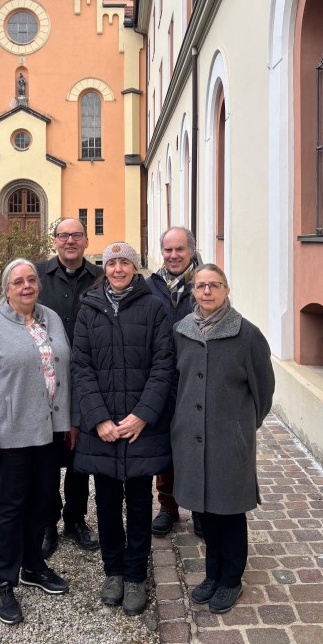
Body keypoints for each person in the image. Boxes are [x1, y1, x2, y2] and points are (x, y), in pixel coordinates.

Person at [72, 242, 174, 617]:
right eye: (111, 262)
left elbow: (164, 365)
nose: (117, 269)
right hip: (104, 429)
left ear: (135, 268)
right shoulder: (89, 308)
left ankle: (135, 576)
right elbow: (80, 366)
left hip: (138, 427)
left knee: (140, 502)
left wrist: (142, 416)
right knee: (108, 503)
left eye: (124, 263)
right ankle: (113, 571)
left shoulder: (153, 308)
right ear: (105, 268)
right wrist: (98, 418)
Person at [0, 258, 71, 626]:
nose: (26, 286)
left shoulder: (51, 319)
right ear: (7, 289)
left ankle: (33, 567)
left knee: (41, 504)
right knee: (10, 509)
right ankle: (3, 582)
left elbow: (63, 372)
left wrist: (67, 423)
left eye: (31, 280)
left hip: (47, 434)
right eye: (18, 282)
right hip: (9, 439)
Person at [171, 264, 275, 614]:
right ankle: (212, 574)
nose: (207, 292)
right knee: (205, 509)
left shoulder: (247, 334)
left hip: (228, 440)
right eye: (200, 286)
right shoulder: (182, 331)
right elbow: (177, 382)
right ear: (193, 292)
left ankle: (231, 578)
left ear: (226, 290)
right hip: (191, 436)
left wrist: (240, 426)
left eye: (214, 285)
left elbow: (263, 391)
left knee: (229, 510)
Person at [36, 217, 103, 557]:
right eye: (63, 236)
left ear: (86, 241)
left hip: (87, 378)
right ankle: (48, 522)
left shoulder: (100, 279)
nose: (70, 241)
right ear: (55, 241)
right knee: (46, 457)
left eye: (76, 235)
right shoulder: (38, 277)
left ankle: (75, 519)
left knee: (80, 458)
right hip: (45, 381)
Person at [147, 226, 203, 538]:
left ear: (191, 251)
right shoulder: (150, 285)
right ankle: (168, 506)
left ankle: (200, 508)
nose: (173, 255)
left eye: (179, 249)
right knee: (164, 444)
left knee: (196, 446)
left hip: (195, 377)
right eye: (168, 250)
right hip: (161, 378)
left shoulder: (204, 282)